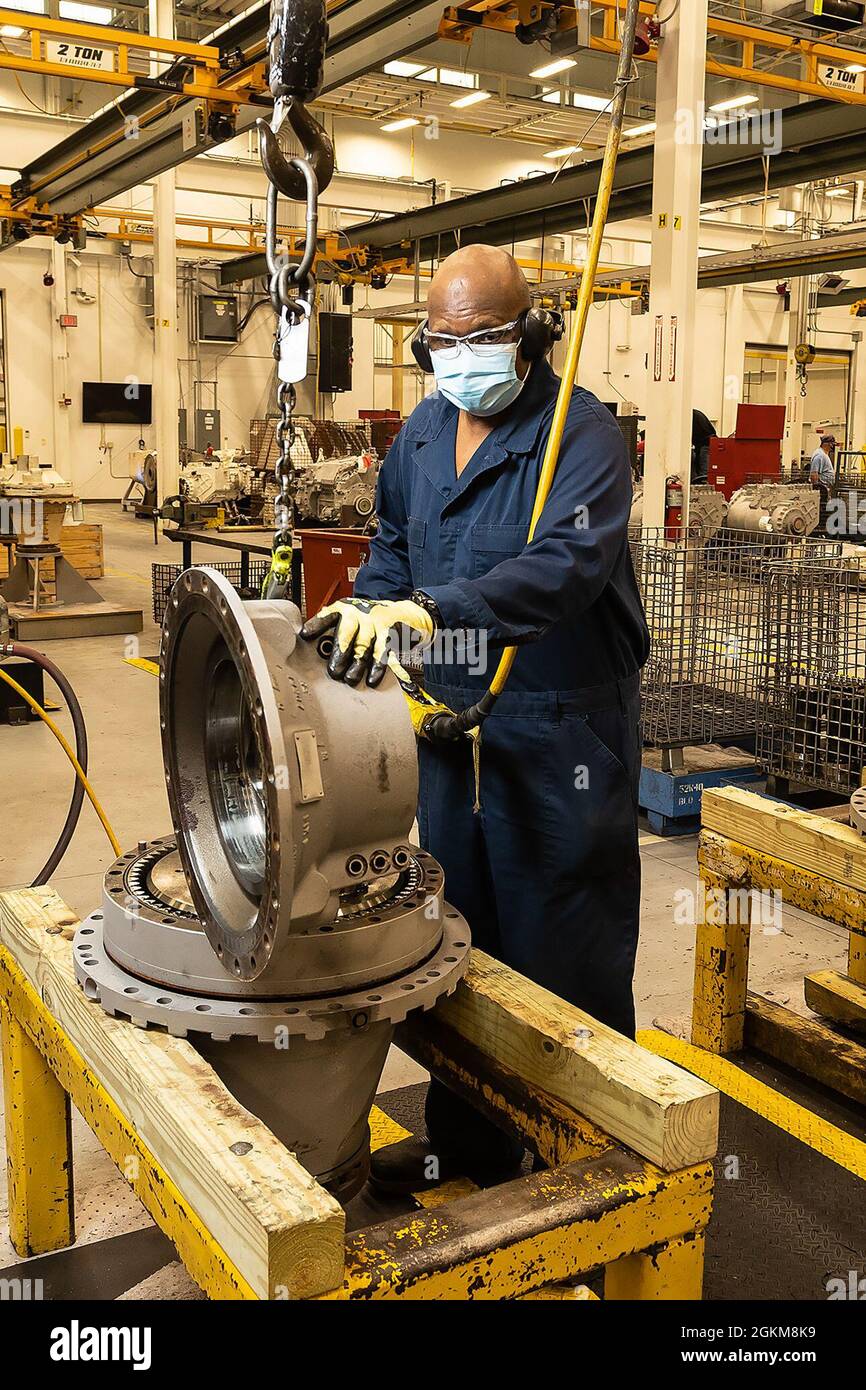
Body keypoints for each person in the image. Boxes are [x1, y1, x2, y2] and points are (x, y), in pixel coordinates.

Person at [301, 245, 650, 1192]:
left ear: (531, 334)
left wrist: (434, 610)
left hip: (559, 730)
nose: (462, 358)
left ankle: (592, 1157)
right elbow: (393, 548)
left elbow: (566, 571)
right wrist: (370, 607)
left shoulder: (581, 435)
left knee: (562, 946)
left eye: (485, 337)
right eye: (441, 342)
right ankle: (477, 1144)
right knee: (461, 939)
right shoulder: (420, 433)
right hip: (452, 728)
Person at [810, 432, 837, 532]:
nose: (832, 446)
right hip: (822, 489)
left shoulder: (823, 454)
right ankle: (819, 529)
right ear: (827, 443)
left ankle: (823, 528)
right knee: (821, 510)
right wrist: (817, 490)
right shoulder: (819, 456)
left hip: (825, 487)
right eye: (832, 444)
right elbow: (814, 474)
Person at [691, 409, 717, 484]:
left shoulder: (692, 416)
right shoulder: (696, 414)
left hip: (705, 444)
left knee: (704, 475)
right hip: (709, 442)